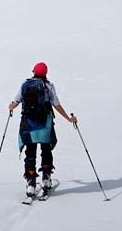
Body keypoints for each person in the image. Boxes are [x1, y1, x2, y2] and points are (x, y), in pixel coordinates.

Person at [8, 62, 77, 196]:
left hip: (29, 124)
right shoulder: (49, 86)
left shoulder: (25, 84)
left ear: (33, 71)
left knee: (30, 153)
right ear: (45, 73)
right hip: (45, 124)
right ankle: (46, 179)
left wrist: (10, 106)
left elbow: (15, 103)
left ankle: (31, 184)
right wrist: (69, 118)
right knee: (46, 150)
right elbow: (56, 104)